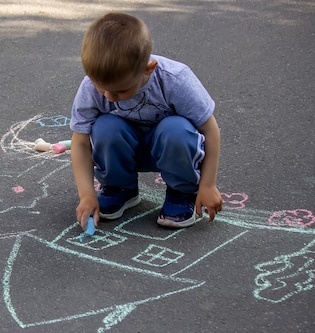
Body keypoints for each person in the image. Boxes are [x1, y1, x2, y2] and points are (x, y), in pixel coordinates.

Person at [70, 12, 223, 230]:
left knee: (176, 129)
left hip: (171, 148)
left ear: (148, 69)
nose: (108, 96)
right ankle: (120, 188)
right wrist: (86, 195)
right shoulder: (90, 87)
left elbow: (211, 130)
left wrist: (208, 185)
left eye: (120, 91)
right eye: (100, 87)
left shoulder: (175, 79)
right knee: (105, 128)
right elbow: (80, 142)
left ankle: (182, 191)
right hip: (127, 148)